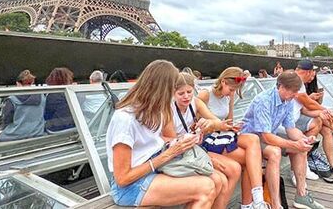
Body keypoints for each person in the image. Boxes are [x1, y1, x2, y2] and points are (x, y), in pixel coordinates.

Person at [106, 60, 218, 208]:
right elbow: (122, 178)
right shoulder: (125, 119)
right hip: (129, 187)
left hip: (152, 169)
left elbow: (153, 140)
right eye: (173, 89)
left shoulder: (151, 111)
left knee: (215, 180)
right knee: (206, 187)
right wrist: (169, 153)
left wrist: (179, 141)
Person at [242, 70, 325, 209]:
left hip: (267, 135)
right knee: (275, 152)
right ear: (281, 87)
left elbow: (290, 128)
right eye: (293, 92)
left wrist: (304, 139)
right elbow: (266, 136)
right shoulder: (263, 100)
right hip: (252, 138)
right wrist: (293, 144)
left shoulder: (288, 99)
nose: (295, 95)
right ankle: (276, 204)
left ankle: (301, 194)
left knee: (301, 149)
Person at [198, 68, 267, 209]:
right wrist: (220, 126)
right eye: (230, 89)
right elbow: (194, 123)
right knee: (250, 159)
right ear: (223, 82)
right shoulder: (205, 95)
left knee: (253, 139)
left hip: (222, 135)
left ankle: (255, 200)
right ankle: (251, 203)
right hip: (207, 139)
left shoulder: (230, 96)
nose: (231, 93)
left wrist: (233, 126)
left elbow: (228, 122)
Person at [172, 71, 240, 209]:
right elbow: (170, 142)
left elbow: (215, 121)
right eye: (181, 93)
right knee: (218, 180)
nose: (186, 97)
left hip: (192, 150)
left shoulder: (195, 102)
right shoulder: (169, 109)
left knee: (224, 177)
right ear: (172, 93)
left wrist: (209, 125)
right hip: (178, 154)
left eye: (189, 92)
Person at [0, 70, 46, 142]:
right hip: (37, 132)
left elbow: (7, 121)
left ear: (18, 83)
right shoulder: (42, 97)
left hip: (16, 134)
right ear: (32, 82)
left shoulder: (12, 99)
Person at [44, 67, 76, 133]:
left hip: (56, 128)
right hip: (73, 126)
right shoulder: (72, 94)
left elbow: (47, 114)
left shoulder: (53, 96)